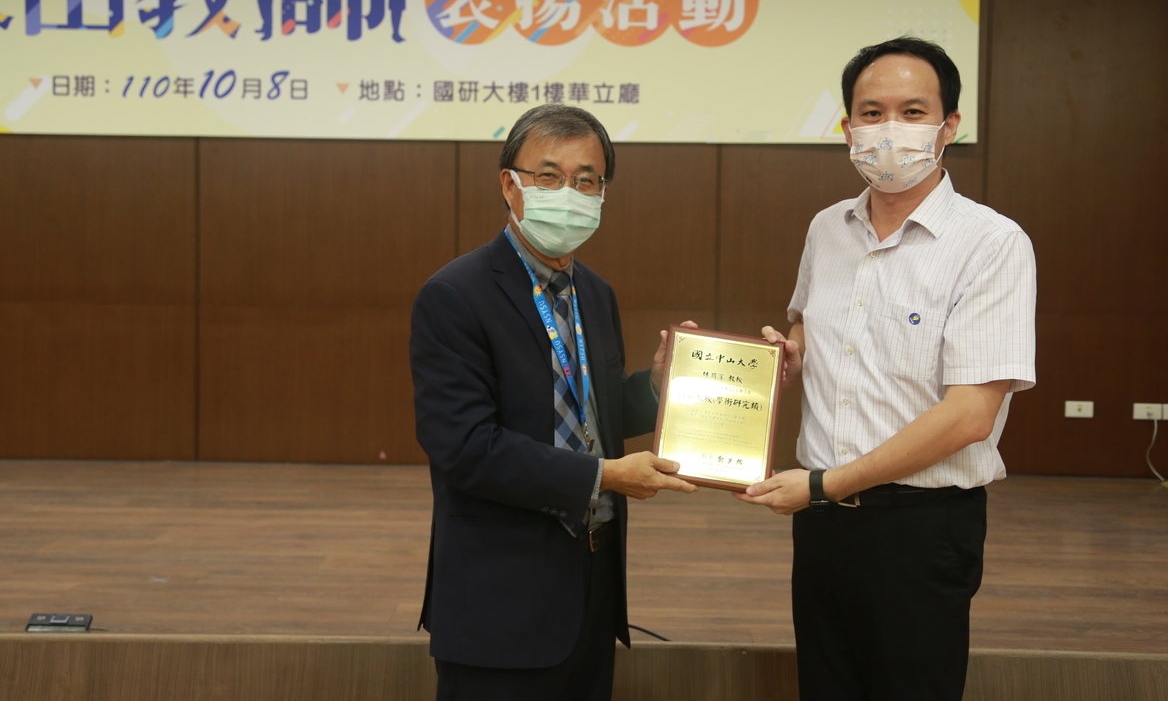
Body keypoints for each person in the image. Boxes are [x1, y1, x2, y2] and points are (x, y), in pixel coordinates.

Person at [736, 37, 1036, 700]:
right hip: (822, 527)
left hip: (920, 528)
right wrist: (791, 353)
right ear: (847, 127)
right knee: (827, 684)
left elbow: (970, 415)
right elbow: (808, 325)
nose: (888, 129)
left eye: (911, 110)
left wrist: (824, 485)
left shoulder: (991, 245)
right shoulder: (827, 229)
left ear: (949, 125)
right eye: (870, 113)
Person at [410, 103, 697, 701]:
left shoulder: (594, 292)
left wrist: (656, 388)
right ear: (509, 184)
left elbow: (586, 409)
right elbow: (465, 448)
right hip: (500, 600)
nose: (568, 191)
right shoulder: (454, 295)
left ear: (602, 194)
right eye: (548, 175)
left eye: (586, 179)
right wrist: (606, 476)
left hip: (591, 585)